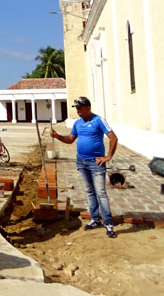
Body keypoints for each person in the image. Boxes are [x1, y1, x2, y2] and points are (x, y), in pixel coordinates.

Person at [50, 96, 118, 238]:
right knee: (89, 191)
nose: (78, 111)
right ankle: (95, 219)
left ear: (88, 107)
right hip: (82, 162)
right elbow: (70, 139)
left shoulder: (98, 120)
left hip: (96, 162)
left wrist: (108, 157)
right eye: (76, 109)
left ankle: (108, 222)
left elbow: (113, 138)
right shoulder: (77, 123)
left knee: (101, 192)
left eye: (80, 108)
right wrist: (57, 136)